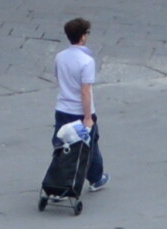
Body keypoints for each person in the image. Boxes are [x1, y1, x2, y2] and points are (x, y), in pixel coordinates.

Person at [54, 18, 108, 188]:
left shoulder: (60, 57)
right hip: (79, 111)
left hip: (62, 109)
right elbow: (85, 91)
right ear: (83, 36)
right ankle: (96, 178)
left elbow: (58, 78)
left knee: (62, 146)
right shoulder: (86, 61)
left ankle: (58, 182)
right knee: (89, 145)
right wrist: (88, 117)